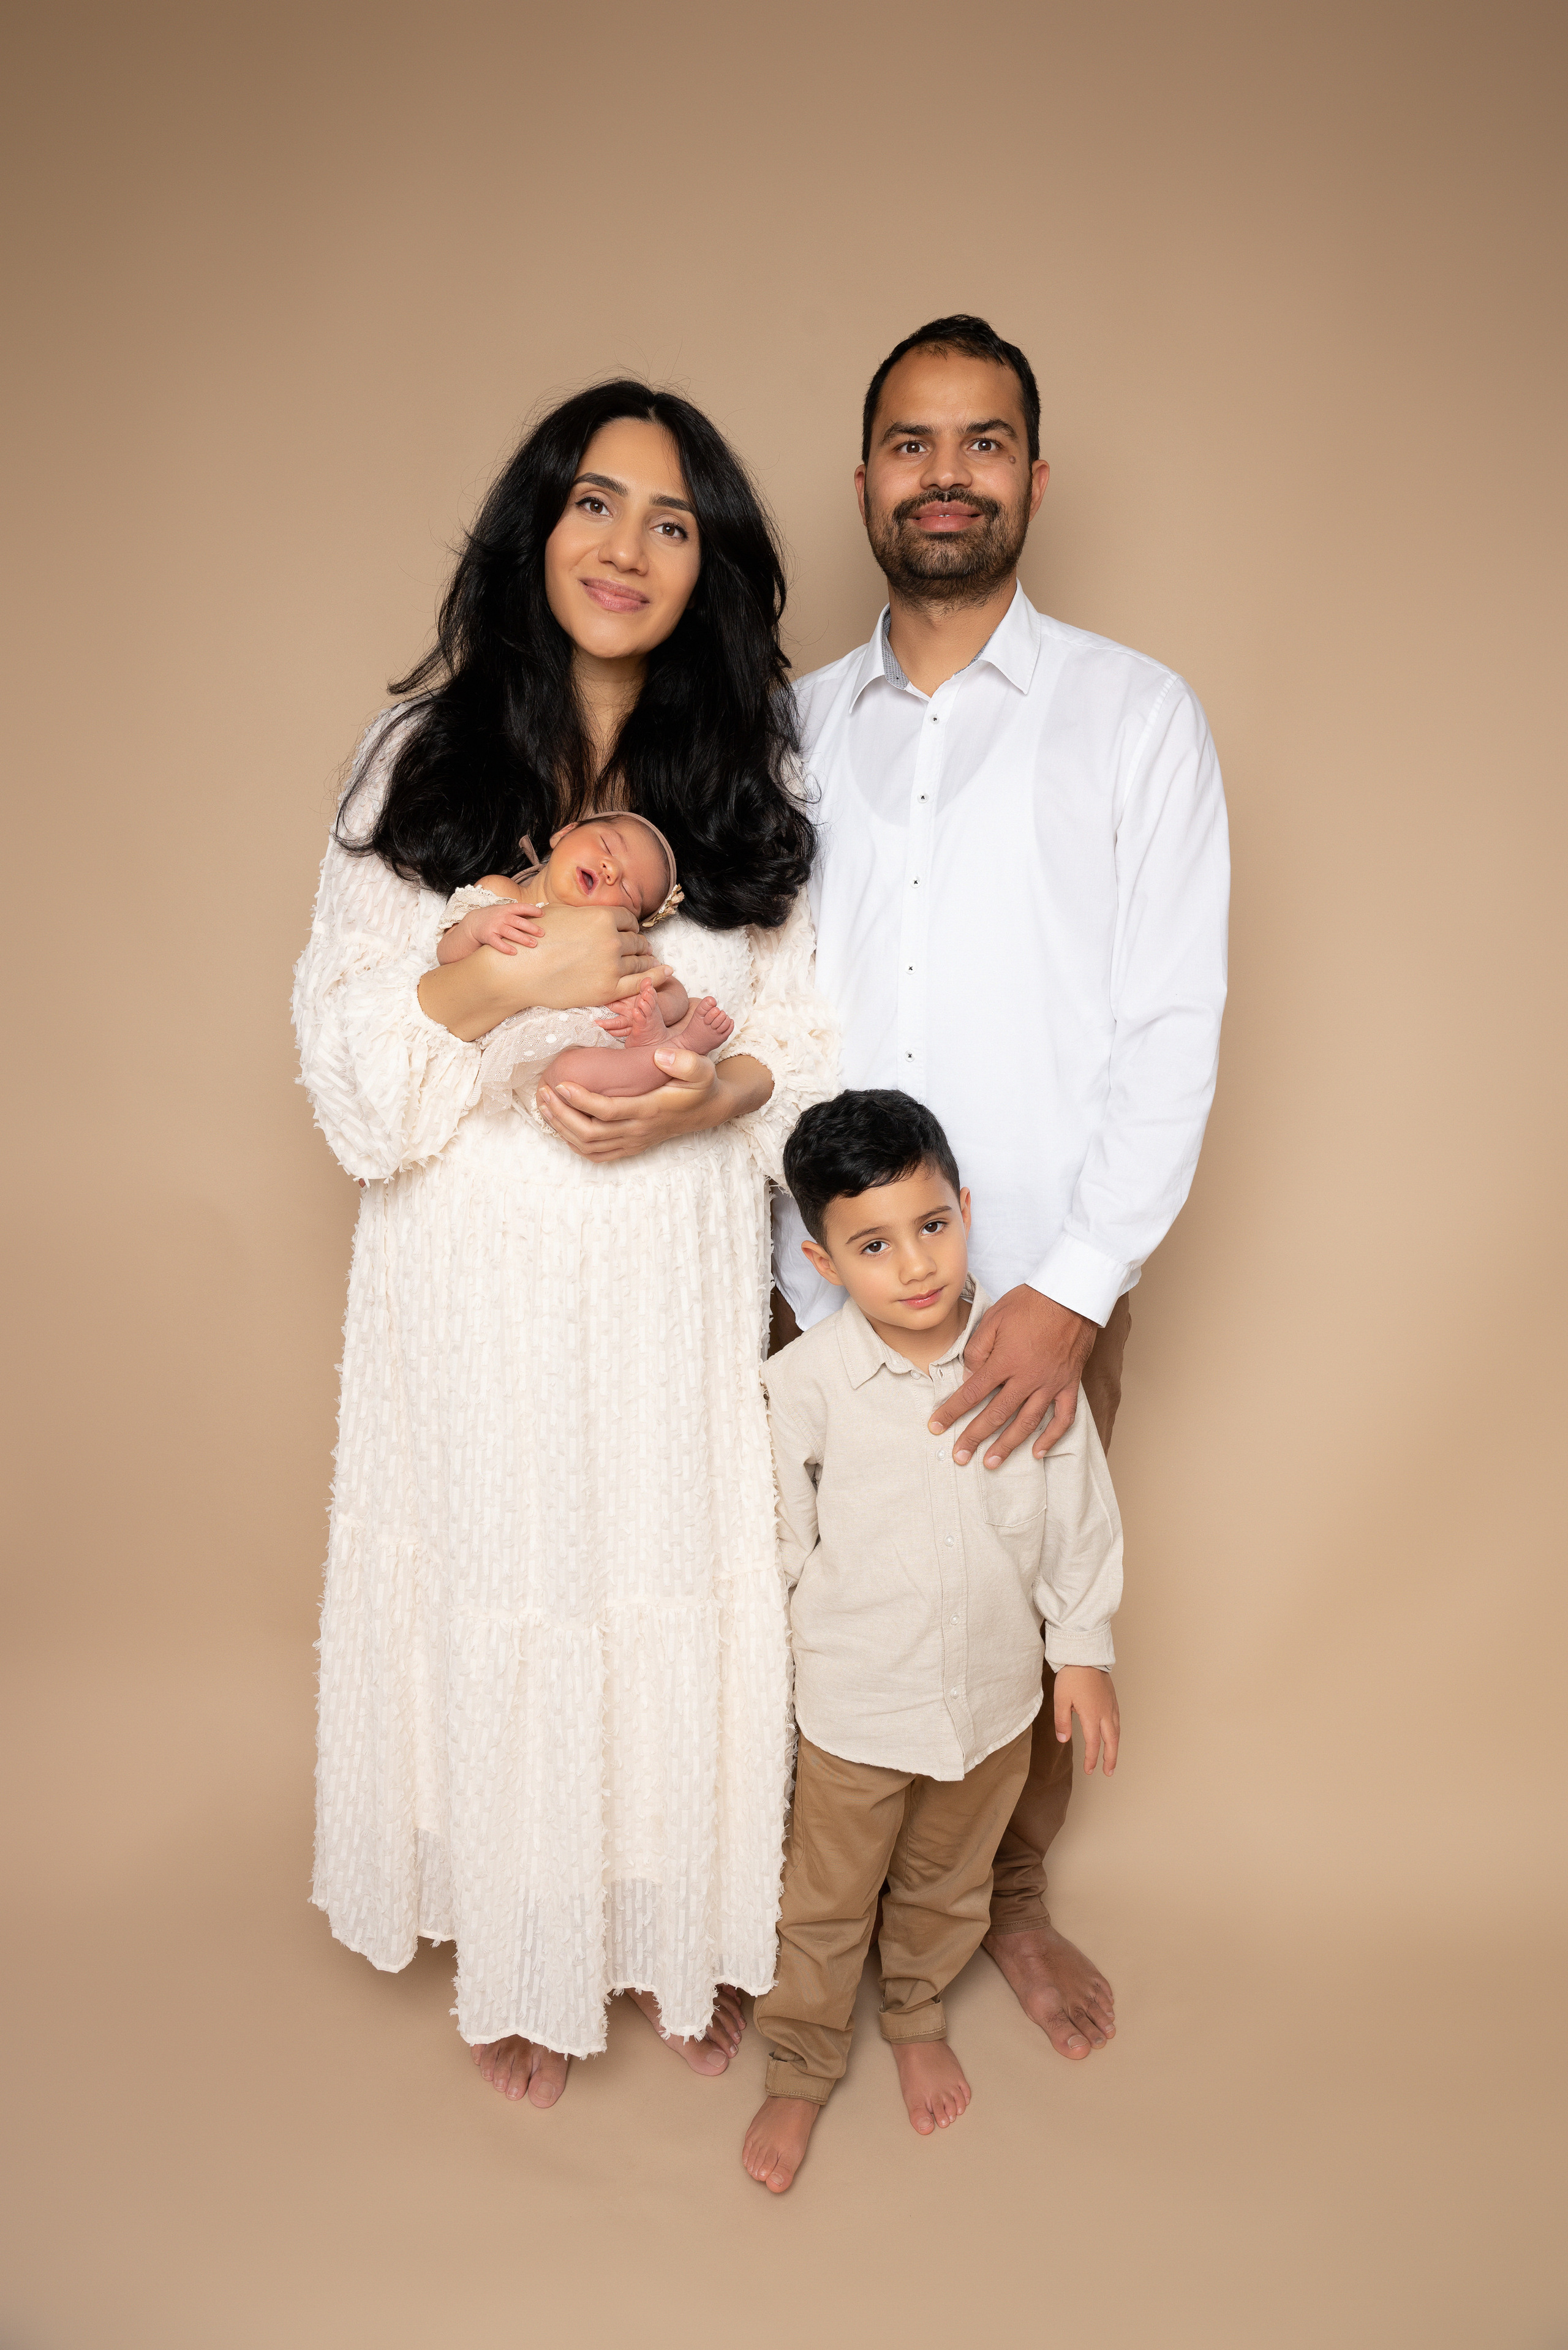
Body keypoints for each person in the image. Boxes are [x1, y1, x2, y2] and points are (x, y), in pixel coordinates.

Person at [293, 380, 835, 2109]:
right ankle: (526, 1955)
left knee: (661, 1573)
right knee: (513, 1574)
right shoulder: (421, 759)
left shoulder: (747, 778)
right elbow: (353, 1074)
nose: (626, 546)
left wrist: (704, 1096)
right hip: (476, 1292)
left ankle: (670, 1926)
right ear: (537, 531)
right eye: (595, 505)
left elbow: (812, 1048)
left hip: (665, 1296)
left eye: (672, 522)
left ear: (711, 567)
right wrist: (513, 979)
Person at [776, 315, 1229, 2061]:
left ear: (1034, 480)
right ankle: (801, 1919)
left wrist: (1074, 1283)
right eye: (910, 441)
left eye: (981, 443)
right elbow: (760, 994)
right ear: (867, 476)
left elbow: (1172, 1013)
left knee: (1019, 1612)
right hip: (818, 1288)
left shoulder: (1136, 714)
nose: (944, 473)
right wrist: (783, 1272)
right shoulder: (791, 727)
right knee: (817, 1605)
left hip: (1034, 1277)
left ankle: (1002, 1910)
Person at [744, 1091, 1122, 2194]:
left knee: (945, 1886)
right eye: (872, 1244)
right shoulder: (805, 1382)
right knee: (822, 1901)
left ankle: (915, 2013)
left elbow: (1078, 1513)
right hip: (857, 1710)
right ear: (822, 1258)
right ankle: (803, 2064)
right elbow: (774, 1536)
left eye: (932, 1226)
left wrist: (1083, 1653)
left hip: (995, 1708)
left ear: (965, 1209)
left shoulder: (1025, 1359)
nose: (913, 1265)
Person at [434, 812, 737, 1101]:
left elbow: (669, 986)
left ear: (628, 917)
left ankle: (669, 1048)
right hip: (526, 1041)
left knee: (585, 1065)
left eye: (630, 892)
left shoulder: (616, 941)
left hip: (592, 1038)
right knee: (566, 1075)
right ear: (565, 833)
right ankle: (673, 1050)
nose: (613, 870)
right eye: (607, 845)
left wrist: (651, 1007)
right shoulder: (502, 892)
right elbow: (446, 956)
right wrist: (476, 928)